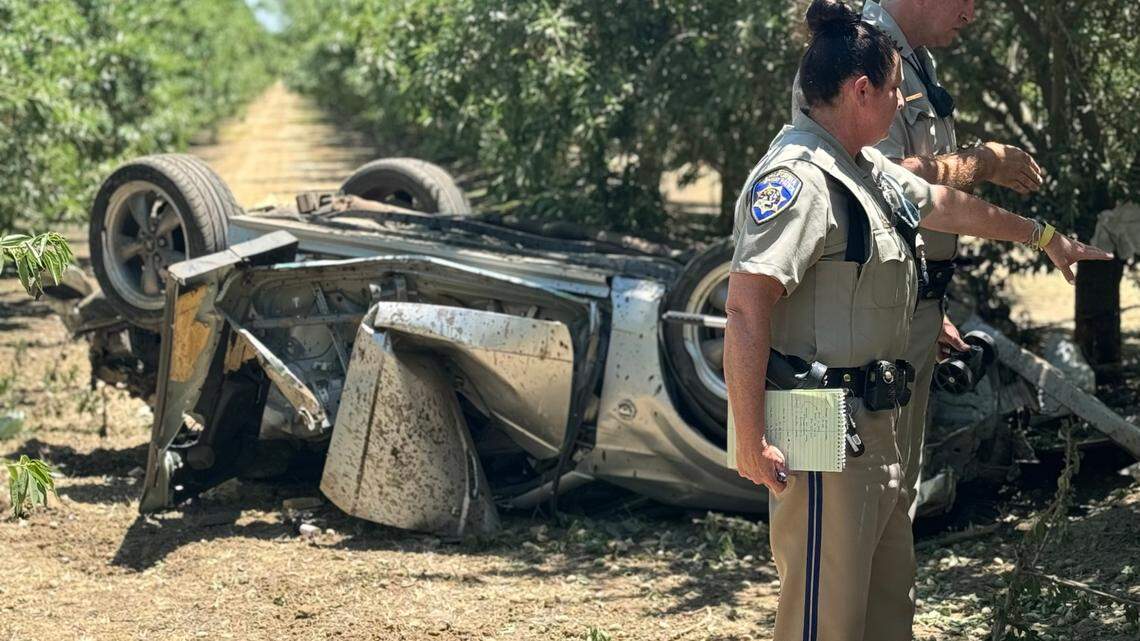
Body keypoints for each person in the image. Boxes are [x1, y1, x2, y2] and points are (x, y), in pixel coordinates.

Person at [724, 2, 1111, 640]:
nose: (903, 98)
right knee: (825, 616)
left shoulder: (865, 168)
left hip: (878, 424)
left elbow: (952, 209)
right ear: (860, 90)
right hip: (820, 428)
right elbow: (745, 306)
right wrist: (750, 435)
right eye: (896, 87)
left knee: (885, 609)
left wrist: (1044, 237)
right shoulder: (797, 177)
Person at [792, 0, 1047, 523]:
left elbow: (902, 205)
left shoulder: (911, 60)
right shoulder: (858, 55)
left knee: (888, 503)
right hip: (846, 330)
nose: (973, 13)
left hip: (896, 307)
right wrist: (983, 163)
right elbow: (878, 180)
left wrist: (928, 301)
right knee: (826, 516)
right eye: (966, 0)